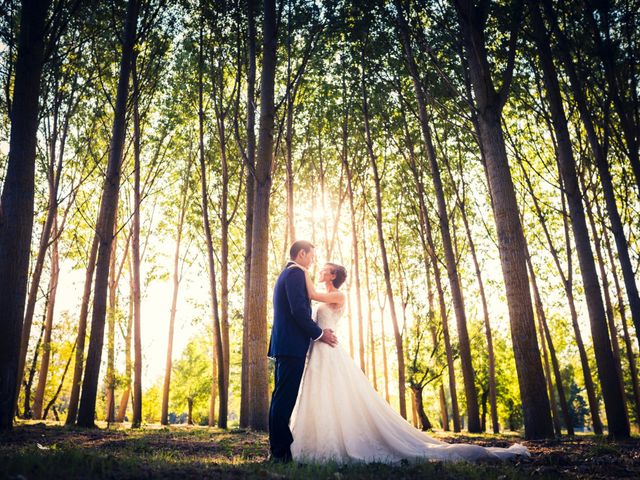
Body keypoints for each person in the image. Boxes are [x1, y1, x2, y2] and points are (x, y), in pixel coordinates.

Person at [288, 261, 530, 464]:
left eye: (324, 270)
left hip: (330, 351)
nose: (319, 272)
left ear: (333, 275)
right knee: (320, 394)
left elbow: (312, 293)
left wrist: (299, 269)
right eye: (318, 270)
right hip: (318, 349)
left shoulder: (338, 295)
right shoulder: (326, 296)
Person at [267, 240, 338, 463]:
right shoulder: (296, 273)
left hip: (286, 345)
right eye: (311, 256)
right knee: (284, 400)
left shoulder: (286, 274)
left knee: (281, 398)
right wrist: (319, 334)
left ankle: (279, 451)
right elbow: (298, 310)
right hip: (291, 346)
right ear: (301, 253)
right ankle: (281, 453)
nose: (312, 261)